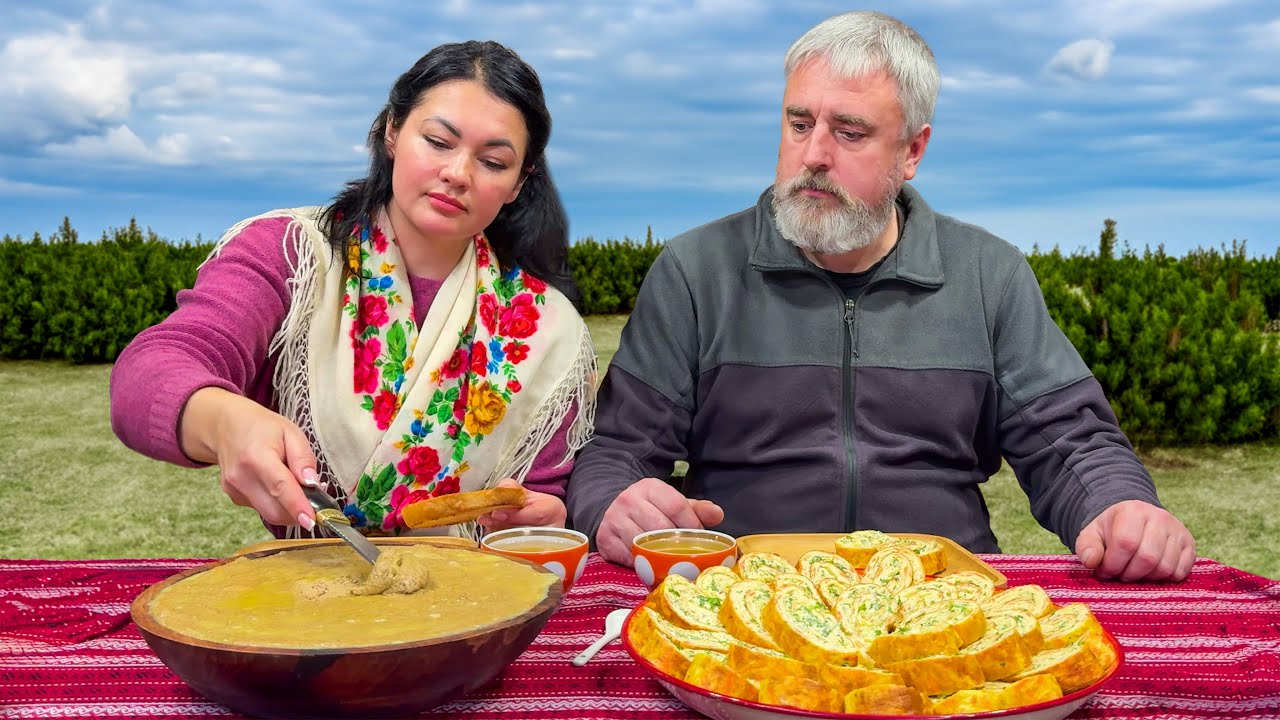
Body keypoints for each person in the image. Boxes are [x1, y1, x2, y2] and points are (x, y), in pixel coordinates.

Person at [566, 11, 1195, 583]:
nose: (813, 155)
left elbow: (1072, 442)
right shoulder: (694, 271)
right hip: (744, 595)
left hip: (944, 595)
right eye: (799, 124)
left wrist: (1120, 506)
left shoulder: (989, 274)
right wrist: (611, 502)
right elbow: (617, 451)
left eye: (850, 132)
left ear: (913, 150)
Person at [112, 41, 596, 541]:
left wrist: (542, 517)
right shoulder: (292, 256)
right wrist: (222, 422)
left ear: (518, 183)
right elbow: (152, 372)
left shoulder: (548, 327)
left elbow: (542, 494)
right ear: (392, 131)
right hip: (309, 580)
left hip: (476, 585)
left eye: (493, 162)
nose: (457, 174)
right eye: (437, 141)